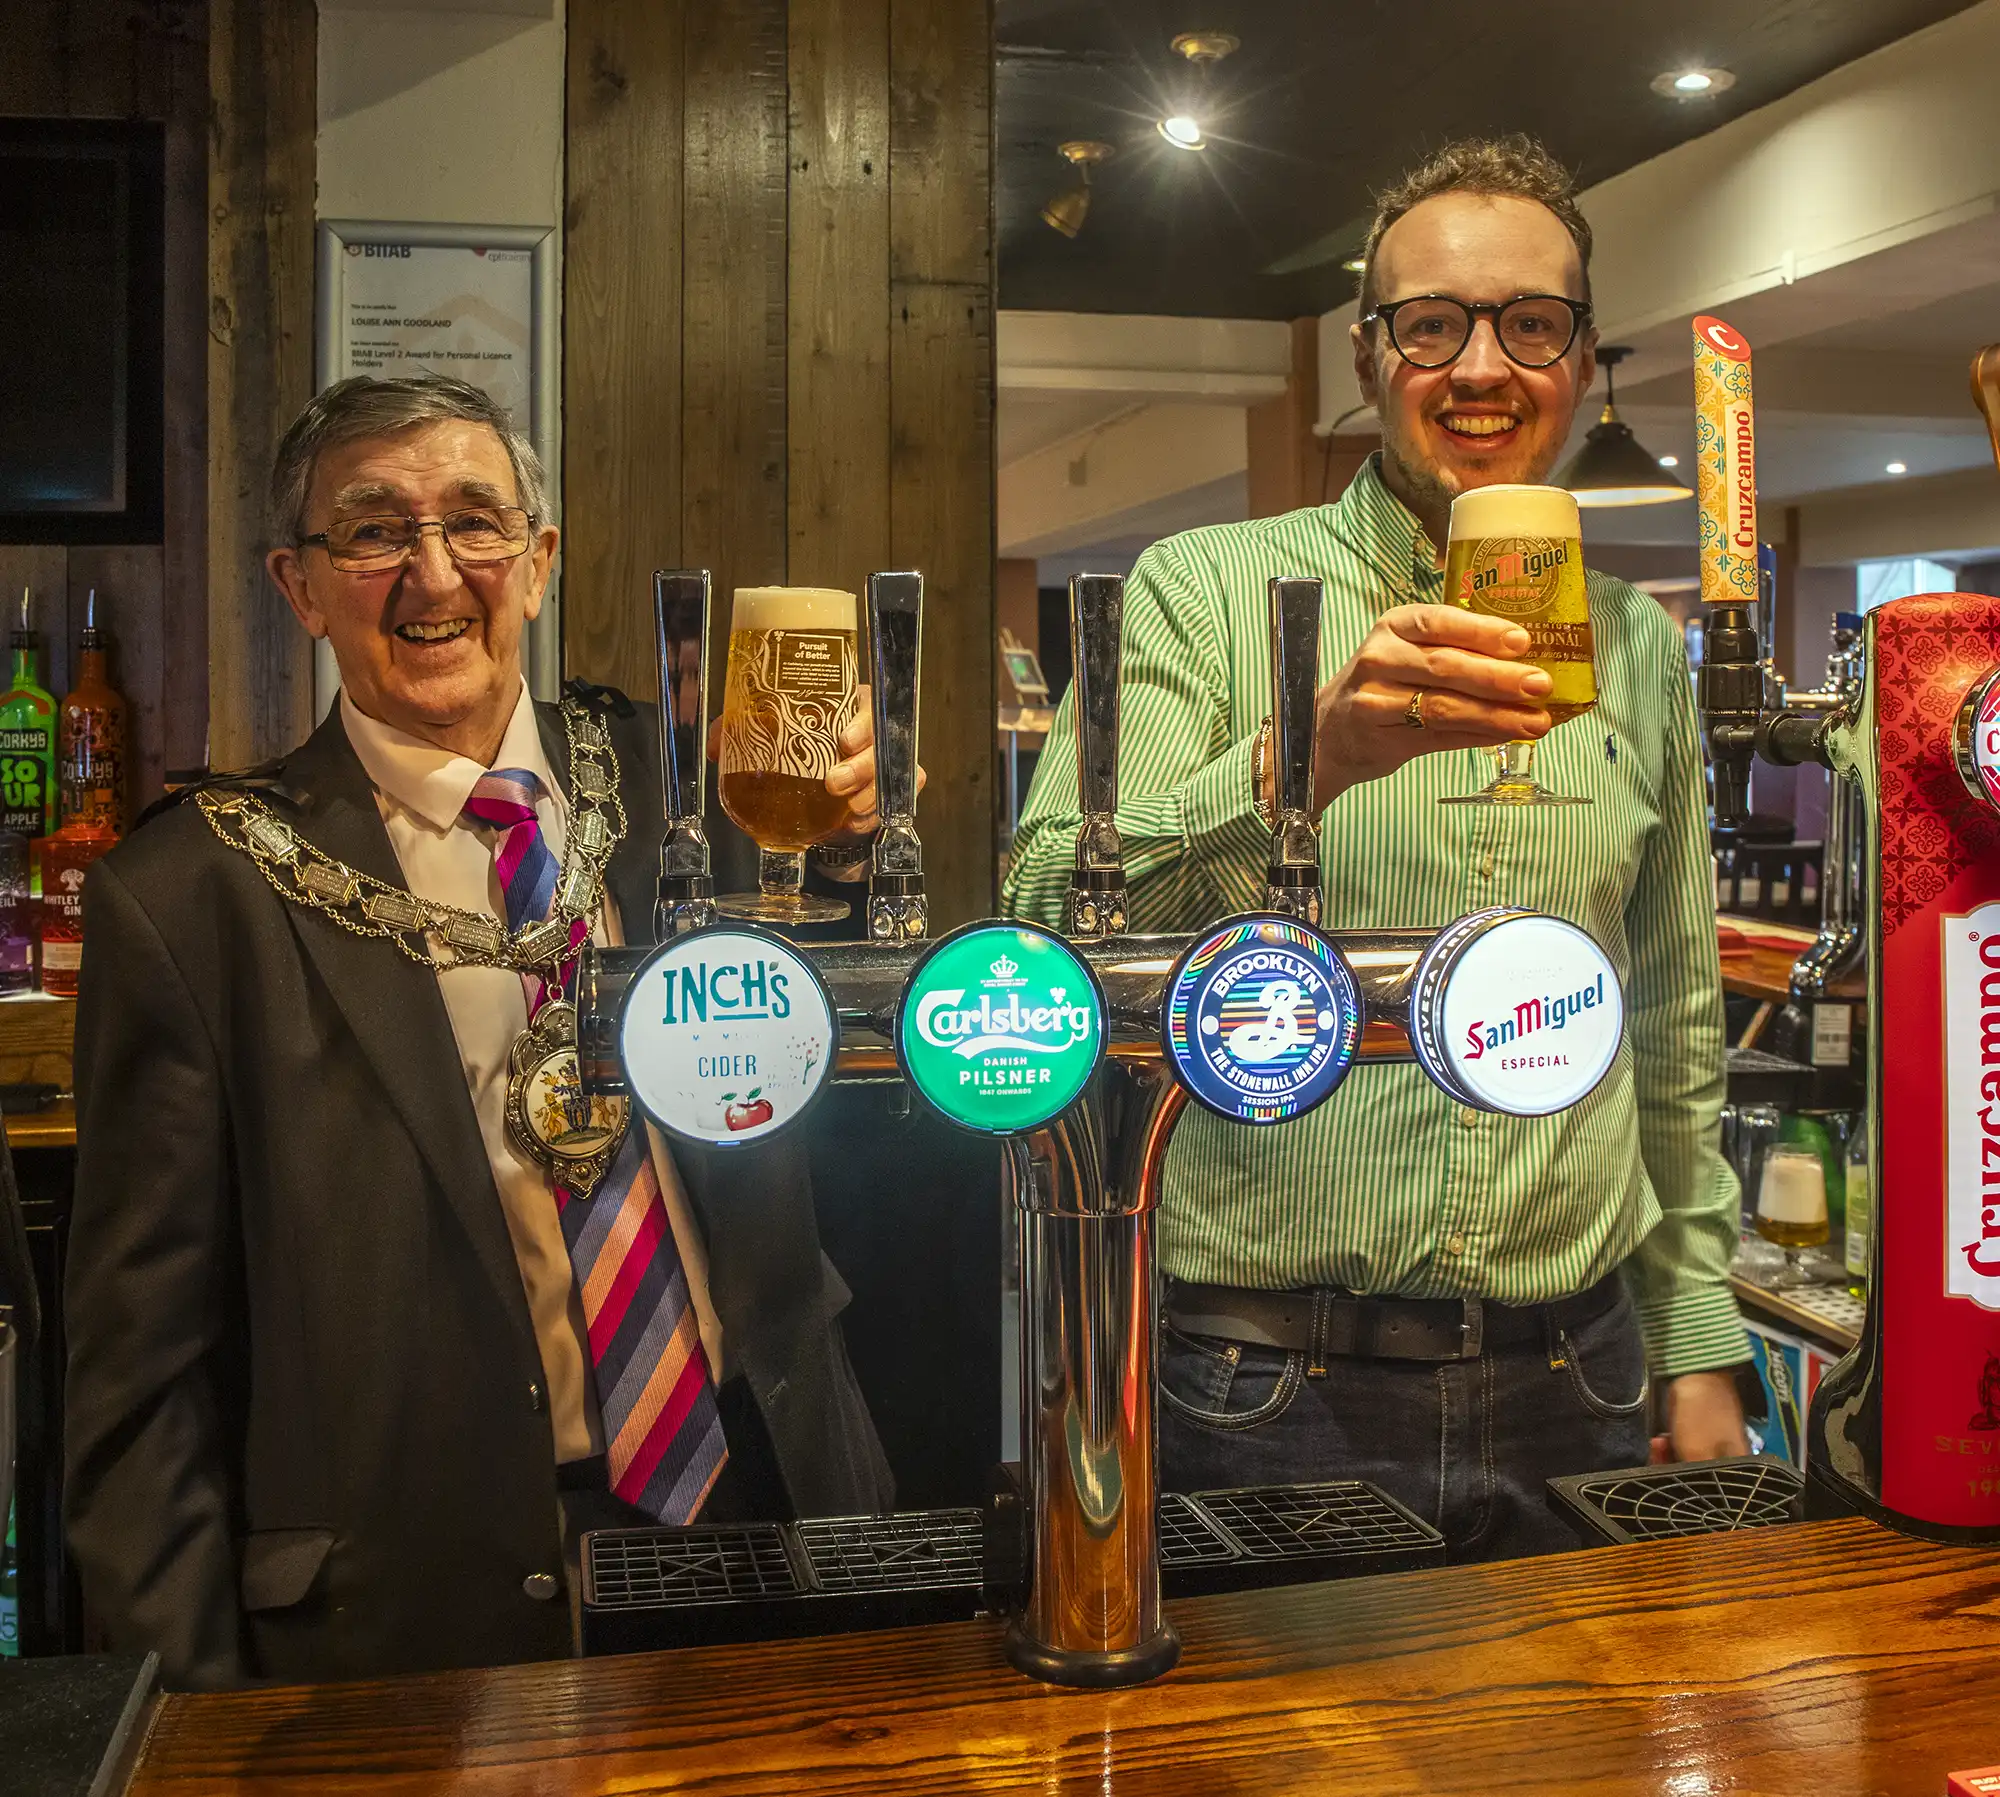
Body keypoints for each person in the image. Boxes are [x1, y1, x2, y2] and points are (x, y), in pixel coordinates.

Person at [64, 375, 896, 1689]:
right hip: (422, 1595)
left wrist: (852, 853)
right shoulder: (193, 893)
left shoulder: (703, 788)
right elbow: (140, 1384)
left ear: (541, 560)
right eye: (375, 531)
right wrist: (177, 1726)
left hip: (770, 1505)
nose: (434, 572)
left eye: (475, 522)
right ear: (301, 585)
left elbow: (858, 1070)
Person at [1004, 136, 1749, 1560]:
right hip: (1272, 1380)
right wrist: (1309, 760)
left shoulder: (1639, 646)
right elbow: (1048, 933)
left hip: (1577, 1371)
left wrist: (1697, 1334)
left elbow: (1671, 1020)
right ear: (1366, 359)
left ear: (1584, 362)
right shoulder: (1205, 592)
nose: (1483, 366)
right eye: (1433, 325)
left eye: (1532, 323)